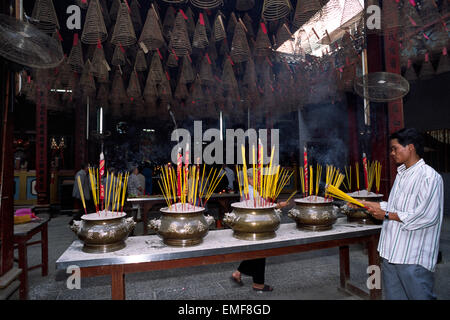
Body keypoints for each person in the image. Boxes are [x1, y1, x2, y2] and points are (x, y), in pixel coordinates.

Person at [358, 128, 443, 300]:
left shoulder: (429, 177)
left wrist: (387, 215)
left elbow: (426, 215)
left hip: (413, 257)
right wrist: (367, 204)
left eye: (395, 148)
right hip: (391, 252)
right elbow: (396, 206)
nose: (392, 153)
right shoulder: (402, 174)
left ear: (410, 147)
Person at [230, 168, 288, 292]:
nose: (260, 181)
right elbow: (263, 207)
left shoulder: (250, 190)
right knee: (260, 252)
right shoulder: (252, 192)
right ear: (250, 179)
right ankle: (257, 283)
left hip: (250, 223)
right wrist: (278, 206)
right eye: (257, 178)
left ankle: (244, 275)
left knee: (257, 252)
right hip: (255, 224)